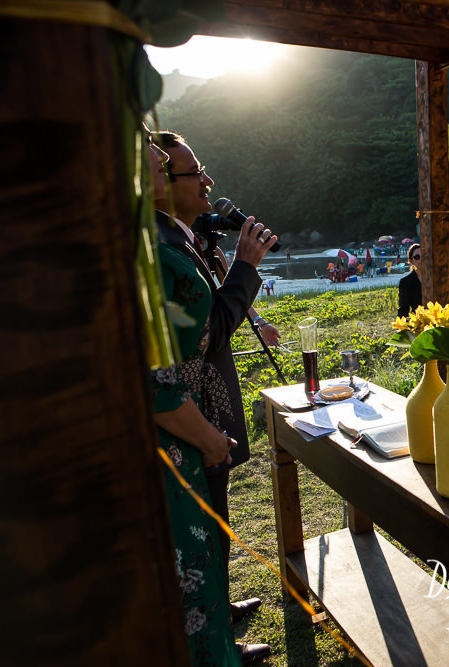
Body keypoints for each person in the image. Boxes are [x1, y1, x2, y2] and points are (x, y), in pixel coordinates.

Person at [153, 132, 272, 661]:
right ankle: (216, 630)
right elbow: (212, 330)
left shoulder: (182, 236)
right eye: (192, 173)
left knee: (217, 516)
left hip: (204, 407)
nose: (207, 181)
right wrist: (246, 267)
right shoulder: (158, 247)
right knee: (205, 521)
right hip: (190, 413)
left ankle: (220, 609)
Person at [398, 243, 423, 317]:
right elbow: (403, 309)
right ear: (411, 261)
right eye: (417, 257)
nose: (421, 259)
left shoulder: (437, 278)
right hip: (418, 321)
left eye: (424, 255)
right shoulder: (406, 282)